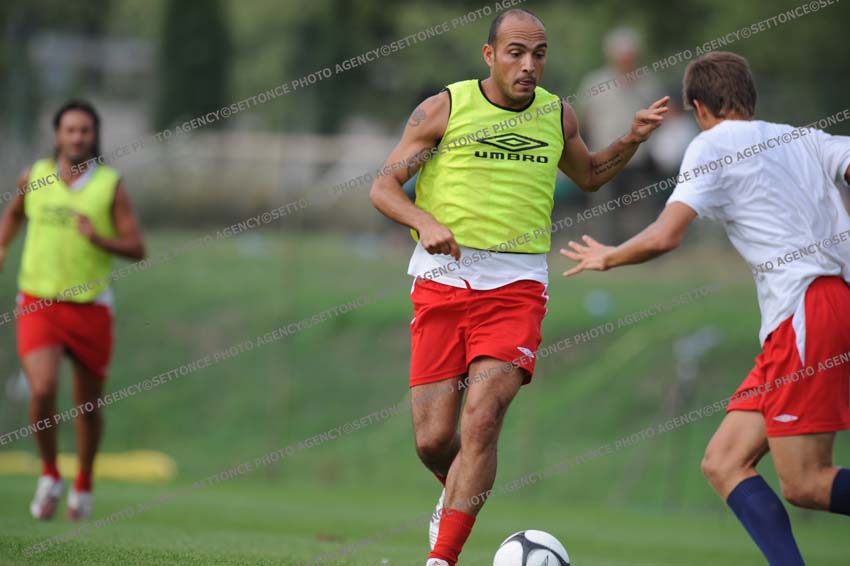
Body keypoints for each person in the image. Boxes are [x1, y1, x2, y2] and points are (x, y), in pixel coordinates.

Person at [368, 8, 667, 565]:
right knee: (432, 441)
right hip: (441, 281)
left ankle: (441, 558)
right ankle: (455, 498)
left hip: (516, 287)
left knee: (482, 419)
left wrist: (631, 138)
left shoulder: (557, 115)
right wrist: (424, 222)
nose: (529, 65)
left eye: (539, 54)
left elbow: (589, 174)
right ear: (490, 55)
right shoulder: (445, 108)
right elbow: (383, 186)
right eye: (516, 52)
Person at [561, 51, 850, 565]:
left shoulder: (710, 145)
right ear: (749, 97)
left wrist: (610, 256)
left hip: (808, 309)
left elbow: (665, 235)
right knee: (724, 461)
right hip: (813, 310)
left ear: (698, 108)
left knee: (805, 482)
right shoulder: (803, 138)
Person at [0, 100, 146, 520]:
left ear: (94, 136)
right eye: (70, 129)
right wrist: (2, 245)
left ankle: (83, 483)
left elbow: (137, 247)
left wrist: (99, 239)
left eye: (85, 130)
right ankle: (50, 475)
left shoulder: (109, 185)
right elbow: (14, 214)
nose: (77, 137)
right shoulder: (35, 176)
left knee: (88, 407)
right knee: (42, 390)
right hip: (39, 302)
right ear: (57, 135)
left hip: (90, 308)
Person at [576, 26, 664, 240]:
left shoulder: (649, 83)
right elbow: (584, 119)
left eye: (630, 54)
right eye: (622, 55)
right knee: (603, 212)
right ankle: (601, 248)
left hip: (639, 159)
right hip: (605, 157)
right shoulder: (595, 82)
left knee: (642, 212)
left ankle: (642, 249)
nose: (626, 59)